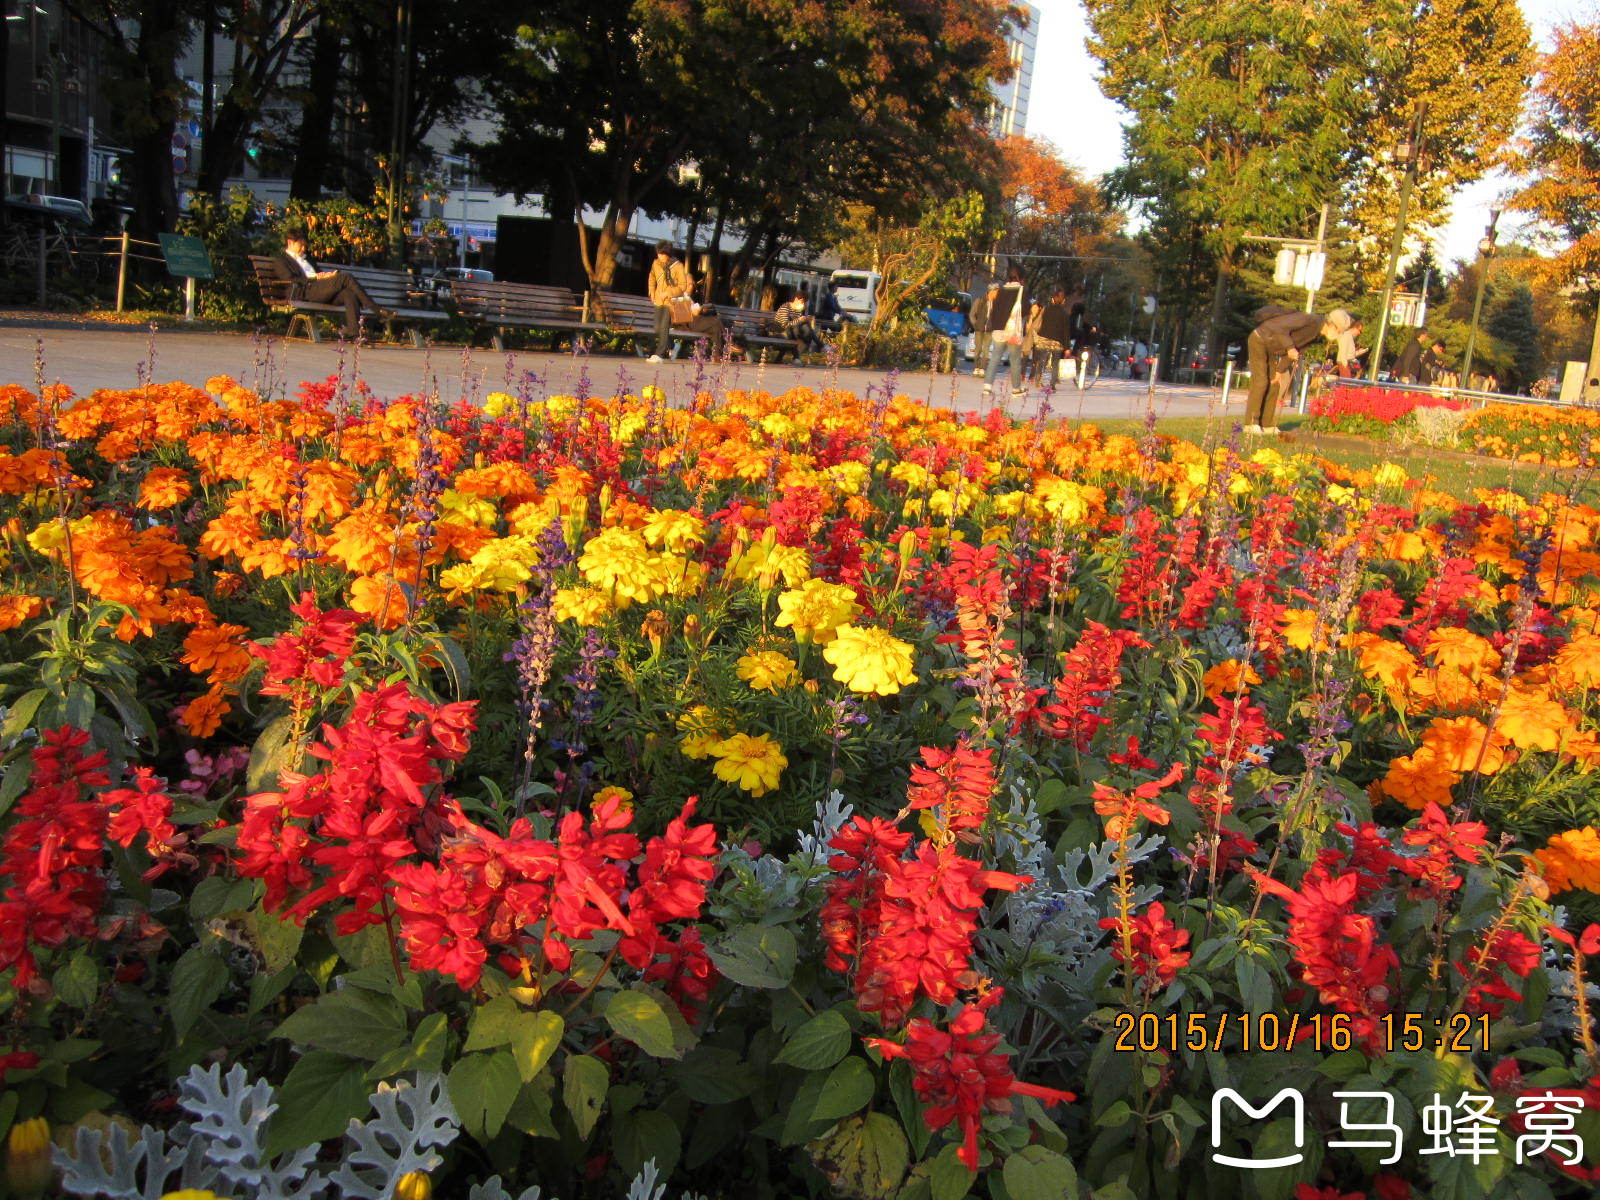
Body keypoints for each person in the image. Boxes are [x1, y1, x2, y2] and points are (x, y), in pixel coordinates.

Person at [1243, 307, 1349, 434]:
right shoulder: (1311, 320)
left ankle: (1266, 425)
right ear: (1331, 324)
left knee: (1274, 384)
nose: (1338, 334)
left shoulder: (1317, 333)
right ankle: (1250, 424)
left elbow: (1299, 350)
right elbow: (1279, 328)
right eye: (1338, 330)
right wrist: (1290, 348)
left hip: (1272, 347)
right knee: (1261, 382)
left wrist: (1280, 370)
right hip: (1260, 339)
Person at [266, 229, 383, 339]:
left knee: (349, 293)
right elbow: (290, 280)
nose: (303, 248)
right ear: (290, 243)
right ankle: (374, 308)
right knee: (346, 277)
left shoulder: (307, 259)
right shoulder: (281, 261)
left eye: (304, 245)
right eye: (300, 245)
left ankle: (354, 333)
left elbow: (318, 274)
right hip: (304, 292)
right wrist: (314, 278)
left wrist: (326, 276)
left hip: (319, 290)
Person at [647, 242, 694, 363]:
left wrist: (669, 293)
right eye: (658, 253)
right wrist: (652, 291)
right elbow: (652, 277)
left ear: (668, 254)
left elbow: (683, 286)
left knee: (664, 327)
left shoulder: (678, 266)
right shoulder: (655, 263)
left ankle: (659, 354)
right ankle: (672, 346)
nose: (660, 256)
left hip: (670, 302)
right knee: (657, 328)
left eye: (662, 254)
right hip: (658, 300)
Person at [983, 269, 1026, 395]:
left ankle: (987, 386)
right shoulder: (1022, 291)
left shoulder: (1000, 291)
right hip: (1013, 331)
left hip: (999, 330)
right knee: (1015, 360)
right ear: (1021, 279)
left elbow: (994, 310)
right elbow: (1026, 310)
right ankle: (1016, 389)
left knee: (995, 357)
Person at [1034, 288, 1071, 387]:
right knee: (1055, 363)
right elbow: (1066, 332)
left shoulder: (1046, 310)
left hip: (1043, 338)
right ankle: (1052, 384)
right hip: (1057, 341)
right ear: (1063, 301)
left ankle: (1038, 380)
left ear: (1053, 299)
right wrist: (1067, 348)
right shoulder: (1065, 314)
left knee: (1041, 360)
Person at [1330, 311, 1366, 377]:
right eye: (1359, 331)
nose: (1359, 333)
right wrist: (1345, 364)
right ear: (1355, 328)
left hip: (1346, 362)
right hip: (1344, 362)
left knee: (1347, 381)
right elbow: (1343, 349)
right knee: (1346, 381)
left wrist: (1358, 353)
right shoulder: (1346, 335)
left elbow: (1349, 353)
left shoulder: (1349, 337)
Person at [969, 286, 994, 376]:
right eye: (993, 292)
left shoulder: (996, 304)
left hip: (989, 330)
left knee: (986, 350)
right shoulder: (979, 301)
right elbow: (972, 314)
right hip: (979, 329)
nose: (994, 295)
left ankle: (983, 368)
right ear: (988, 292)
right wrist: (975, 324)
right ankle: (977, 367)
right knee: (978, 349)